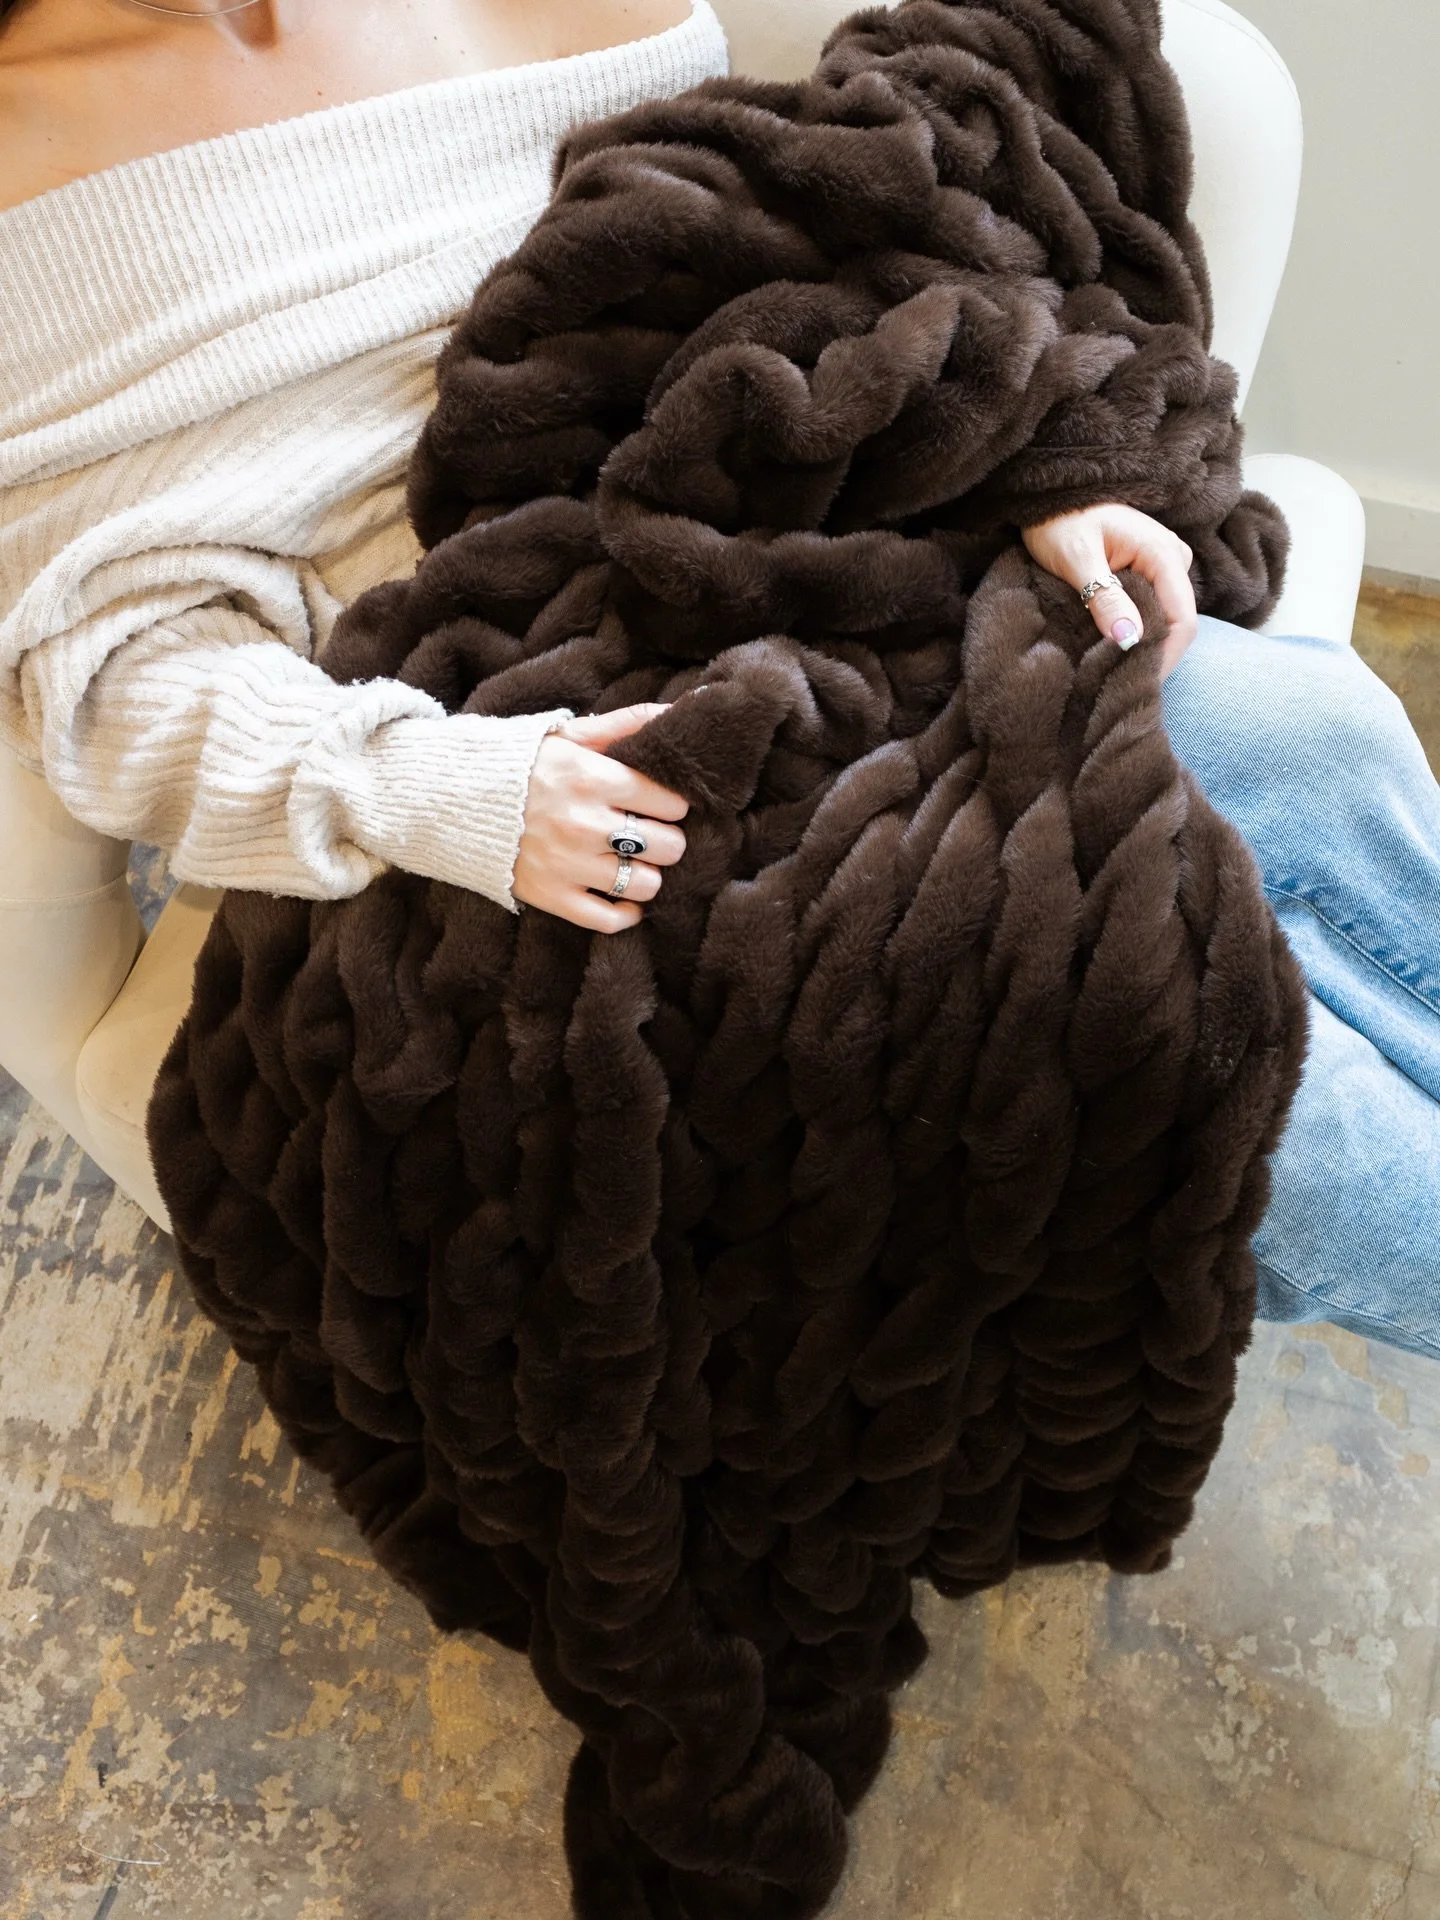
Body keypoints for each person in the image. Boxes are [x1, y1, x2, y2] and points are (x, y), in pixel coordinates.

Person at [1, 0, 1437, 1355]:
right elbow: (113, 661)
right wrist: (433, 788)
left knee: (1300, 735)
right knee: (1177, 1039)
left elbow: (757, 243)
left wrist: (1007, 446)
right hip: (529, 763)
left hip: (802, 560)